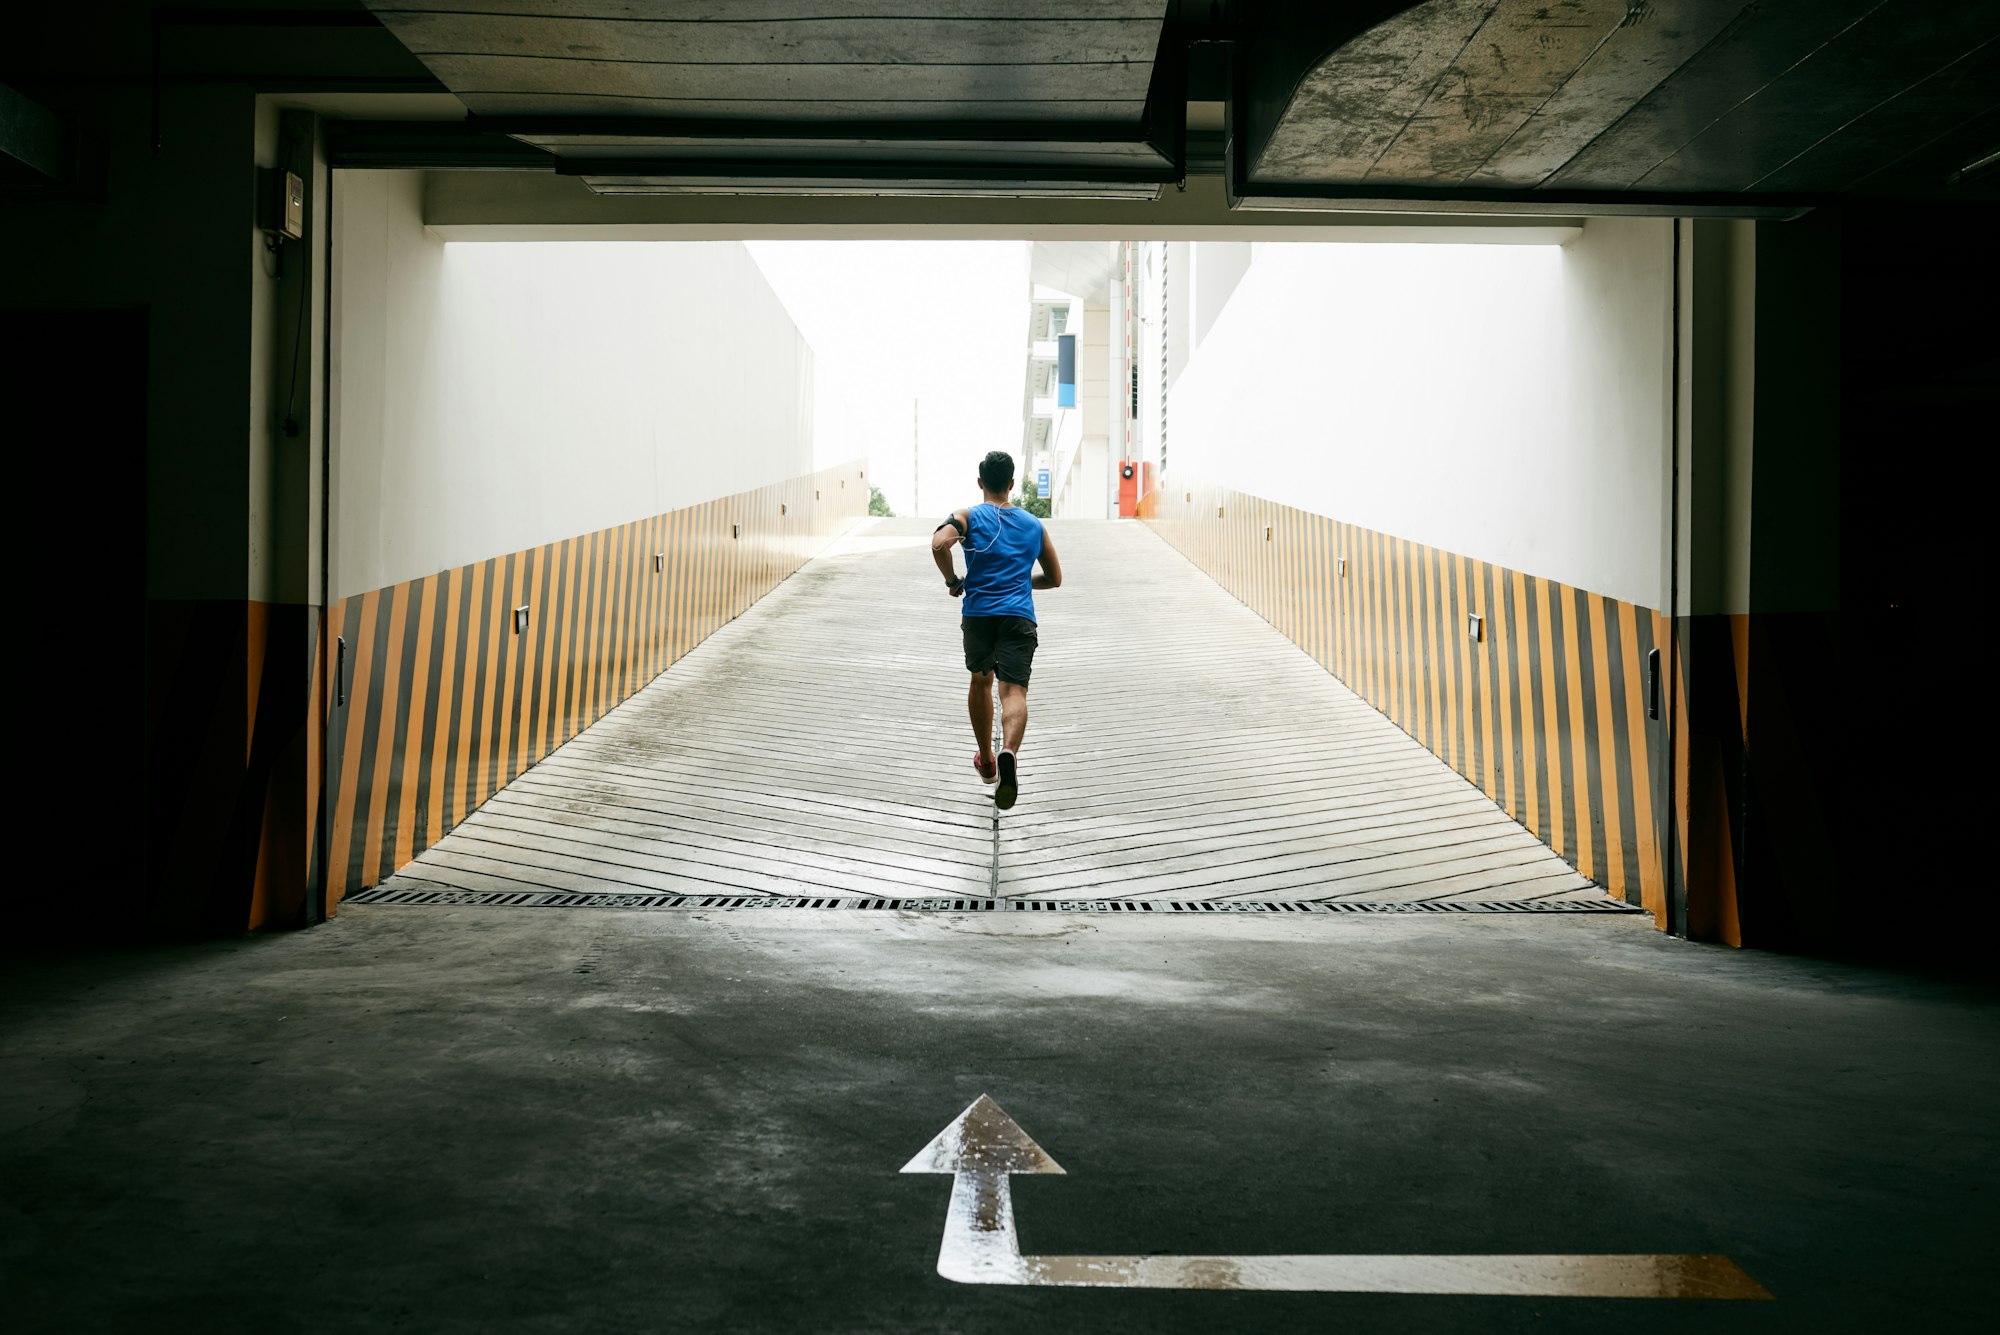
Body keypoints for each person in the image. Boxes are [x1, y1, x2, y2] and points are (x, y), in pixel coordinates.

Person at [931, 451, 1063, 810]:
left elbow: (940, 543)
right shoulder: (1034, 525)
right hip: (1018, 616)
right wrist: (1021, 581)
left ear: (980, 483)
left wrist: (953, 580)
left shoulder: (968, 516)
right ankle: (1009, 751)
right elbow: (1054, 579)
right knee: (1013, 690)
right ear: (1012, 483)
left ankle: (987, 761)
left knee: (980, 680)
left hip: (978, 615)